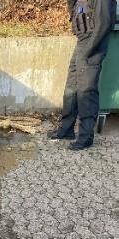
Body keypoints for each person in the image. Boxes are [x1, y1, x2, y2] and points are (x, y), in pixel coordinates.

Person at [48, 0, 117, 150]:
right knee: (71, 88)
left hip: (93, 42)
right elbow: (73, 10)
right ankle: (67, 129)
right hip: (82, 40)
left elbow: (103, 23)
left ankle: (86, 137)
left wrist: (89, 50)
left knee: (86, 91)